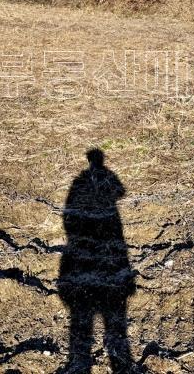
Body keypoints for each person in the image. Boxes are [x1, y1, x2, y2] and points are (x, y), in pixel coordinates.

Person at [58, 148, 136, 373]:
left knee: (84, 324)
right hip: (106, 235)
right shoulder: (96, 178)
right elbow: (121, 192)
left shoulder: (80, 180)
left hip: (87, 244)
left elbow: (119, 192)